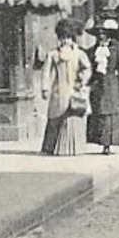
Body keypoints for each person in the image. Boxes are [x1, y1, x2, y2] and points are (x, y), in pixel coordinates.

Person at [40, 19, 92, 155]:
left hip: (74, 90)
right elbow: (46, 72)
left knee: (73, 118)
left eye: (68, 38)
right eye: (62, 38)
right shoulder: (53, 54)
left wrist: (82, 80)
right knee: (54, 118)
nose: (65, 41)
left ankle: (76, 147)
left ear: (73, 38)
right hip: (58, 91)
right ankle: (50, 147)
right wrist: (45, 88)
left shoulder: (79, 54)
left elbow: (87, 68)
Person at [85, 17, 119, 155]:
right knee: (99, 111)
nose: (101, 36)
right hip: (97, 85)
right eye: (99, 34)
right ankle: (101, 141)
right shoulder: (93, 50)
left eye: (104, 33)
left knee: (111, 113)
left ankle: (108, 144)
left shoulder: (116, 48)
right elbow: (89, 68)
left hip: (112, 83)